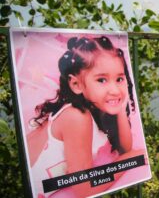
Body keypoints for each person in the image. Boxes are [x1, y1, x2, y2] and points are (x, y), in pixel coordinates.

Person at [28, 36, 144, 197]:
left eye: (119, 79)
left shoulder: (95, 105)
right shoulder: (76, 117)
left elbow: (125, 148)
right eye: (102, 80)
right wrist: (130, 160)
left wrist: (120, 108)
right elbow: (84, 187)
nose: (115, 89)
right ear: (76, 84)